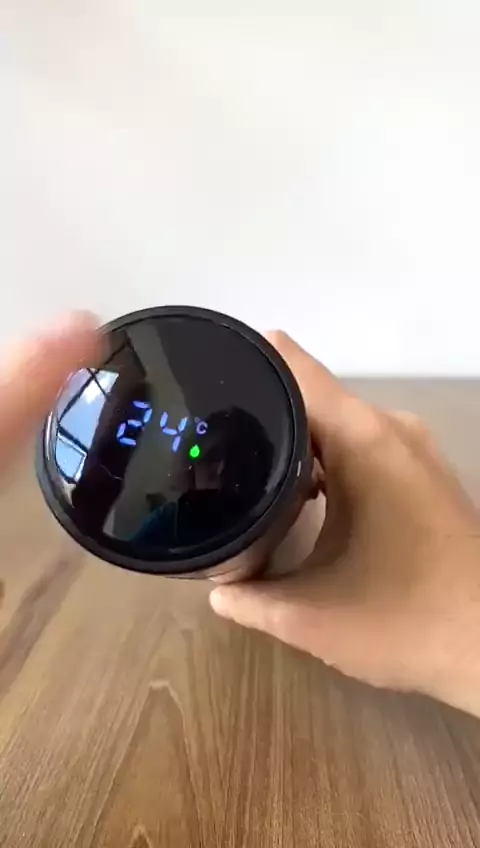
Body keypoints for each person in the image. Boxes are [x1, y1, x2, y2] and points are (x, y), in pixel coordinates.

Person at [2, 312, 480, 718]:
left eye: (225, 461)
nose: (208, 470)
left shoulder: (211, 523)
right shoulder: (170, 527)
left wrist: (460, 643)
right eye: (202, 456)